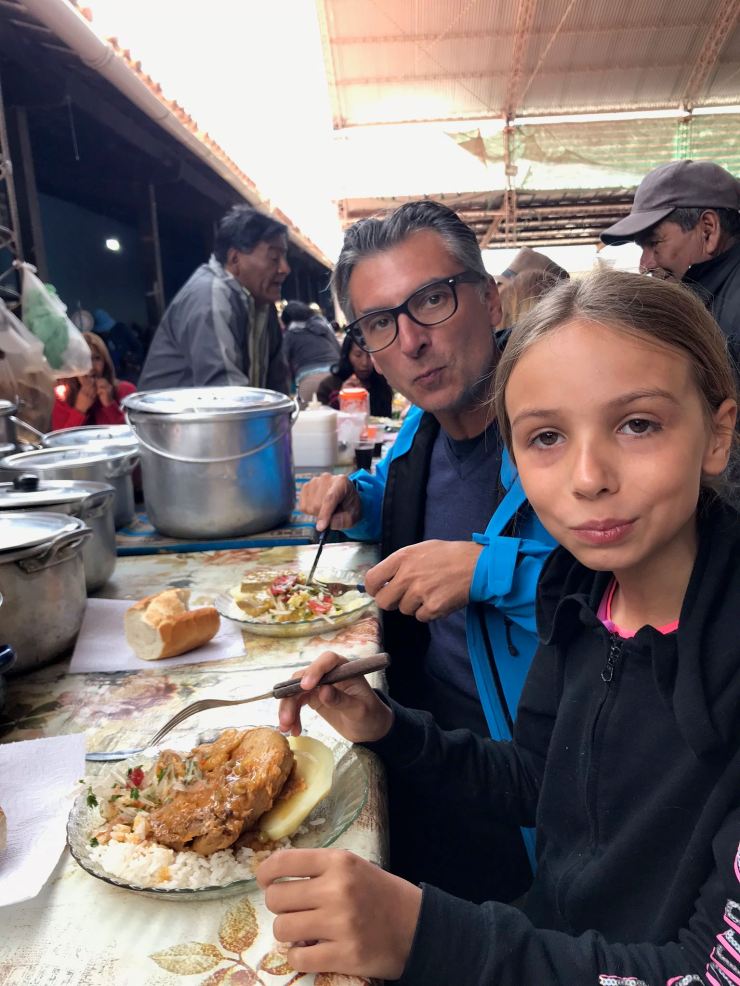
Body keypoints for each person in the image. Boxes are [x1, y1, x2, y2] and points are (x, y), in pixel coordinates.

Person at [258, 269, 740, 985]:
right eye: (546, 436)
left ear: (717, 434)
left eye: (637, 424)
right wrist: (392, 729)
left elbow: (705, 974)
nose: (587, 476)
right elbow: (538, 781)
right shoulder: (582, 596)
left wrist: (430, 938)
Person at [299, 201, 555, 903]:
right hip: (423, 736)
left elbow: (653, 584)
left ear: (489, 298)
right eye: (381, 321)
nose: (410, 340)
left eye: (431, 301)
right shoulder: (420, 429)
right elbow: (408, 493)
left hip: (536, 781)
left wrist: (489, 572)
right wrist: (359, 501)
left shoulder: (562, 422)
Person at [600, 158, 740, 370]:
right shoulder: (706, 300)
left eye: (655, 243)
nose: (644, 265)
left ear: (708, 230)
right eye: (641, 248)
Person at [138, 204, 291, 393]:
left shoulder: (262, 304)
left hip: (219, 421)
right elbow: (226, 395)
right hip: (172, 422)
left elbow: (277, 386)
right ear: (235, 259)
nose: (285, 269)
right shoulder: (210, 297)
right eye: (274, 258)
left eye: (284, 258)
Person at [51, 331, 136, 429]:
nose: (90, 367)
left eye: (96, 358)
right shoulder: (63, 395)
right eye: (83, 359)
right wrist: (79, 409)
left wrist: (109, 404)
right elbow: (59, 440)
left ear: (105, 362)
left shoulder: (126, 390)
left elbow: (134, 435)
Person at [316, 333, 394, 417]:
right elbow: (323, 421)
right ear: (347, 355)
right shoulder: (328, 385)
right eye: (358, 355)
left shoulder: (382, 383)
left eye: (369, 355)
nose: (365, 362)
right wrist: (341, 399)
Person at [280, 300, 341, 401]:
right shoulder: (323, 326)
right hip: (336, 374)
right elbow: (338, 349)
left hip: (309, 380)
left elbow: (283, 365)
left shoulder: (290, 335)